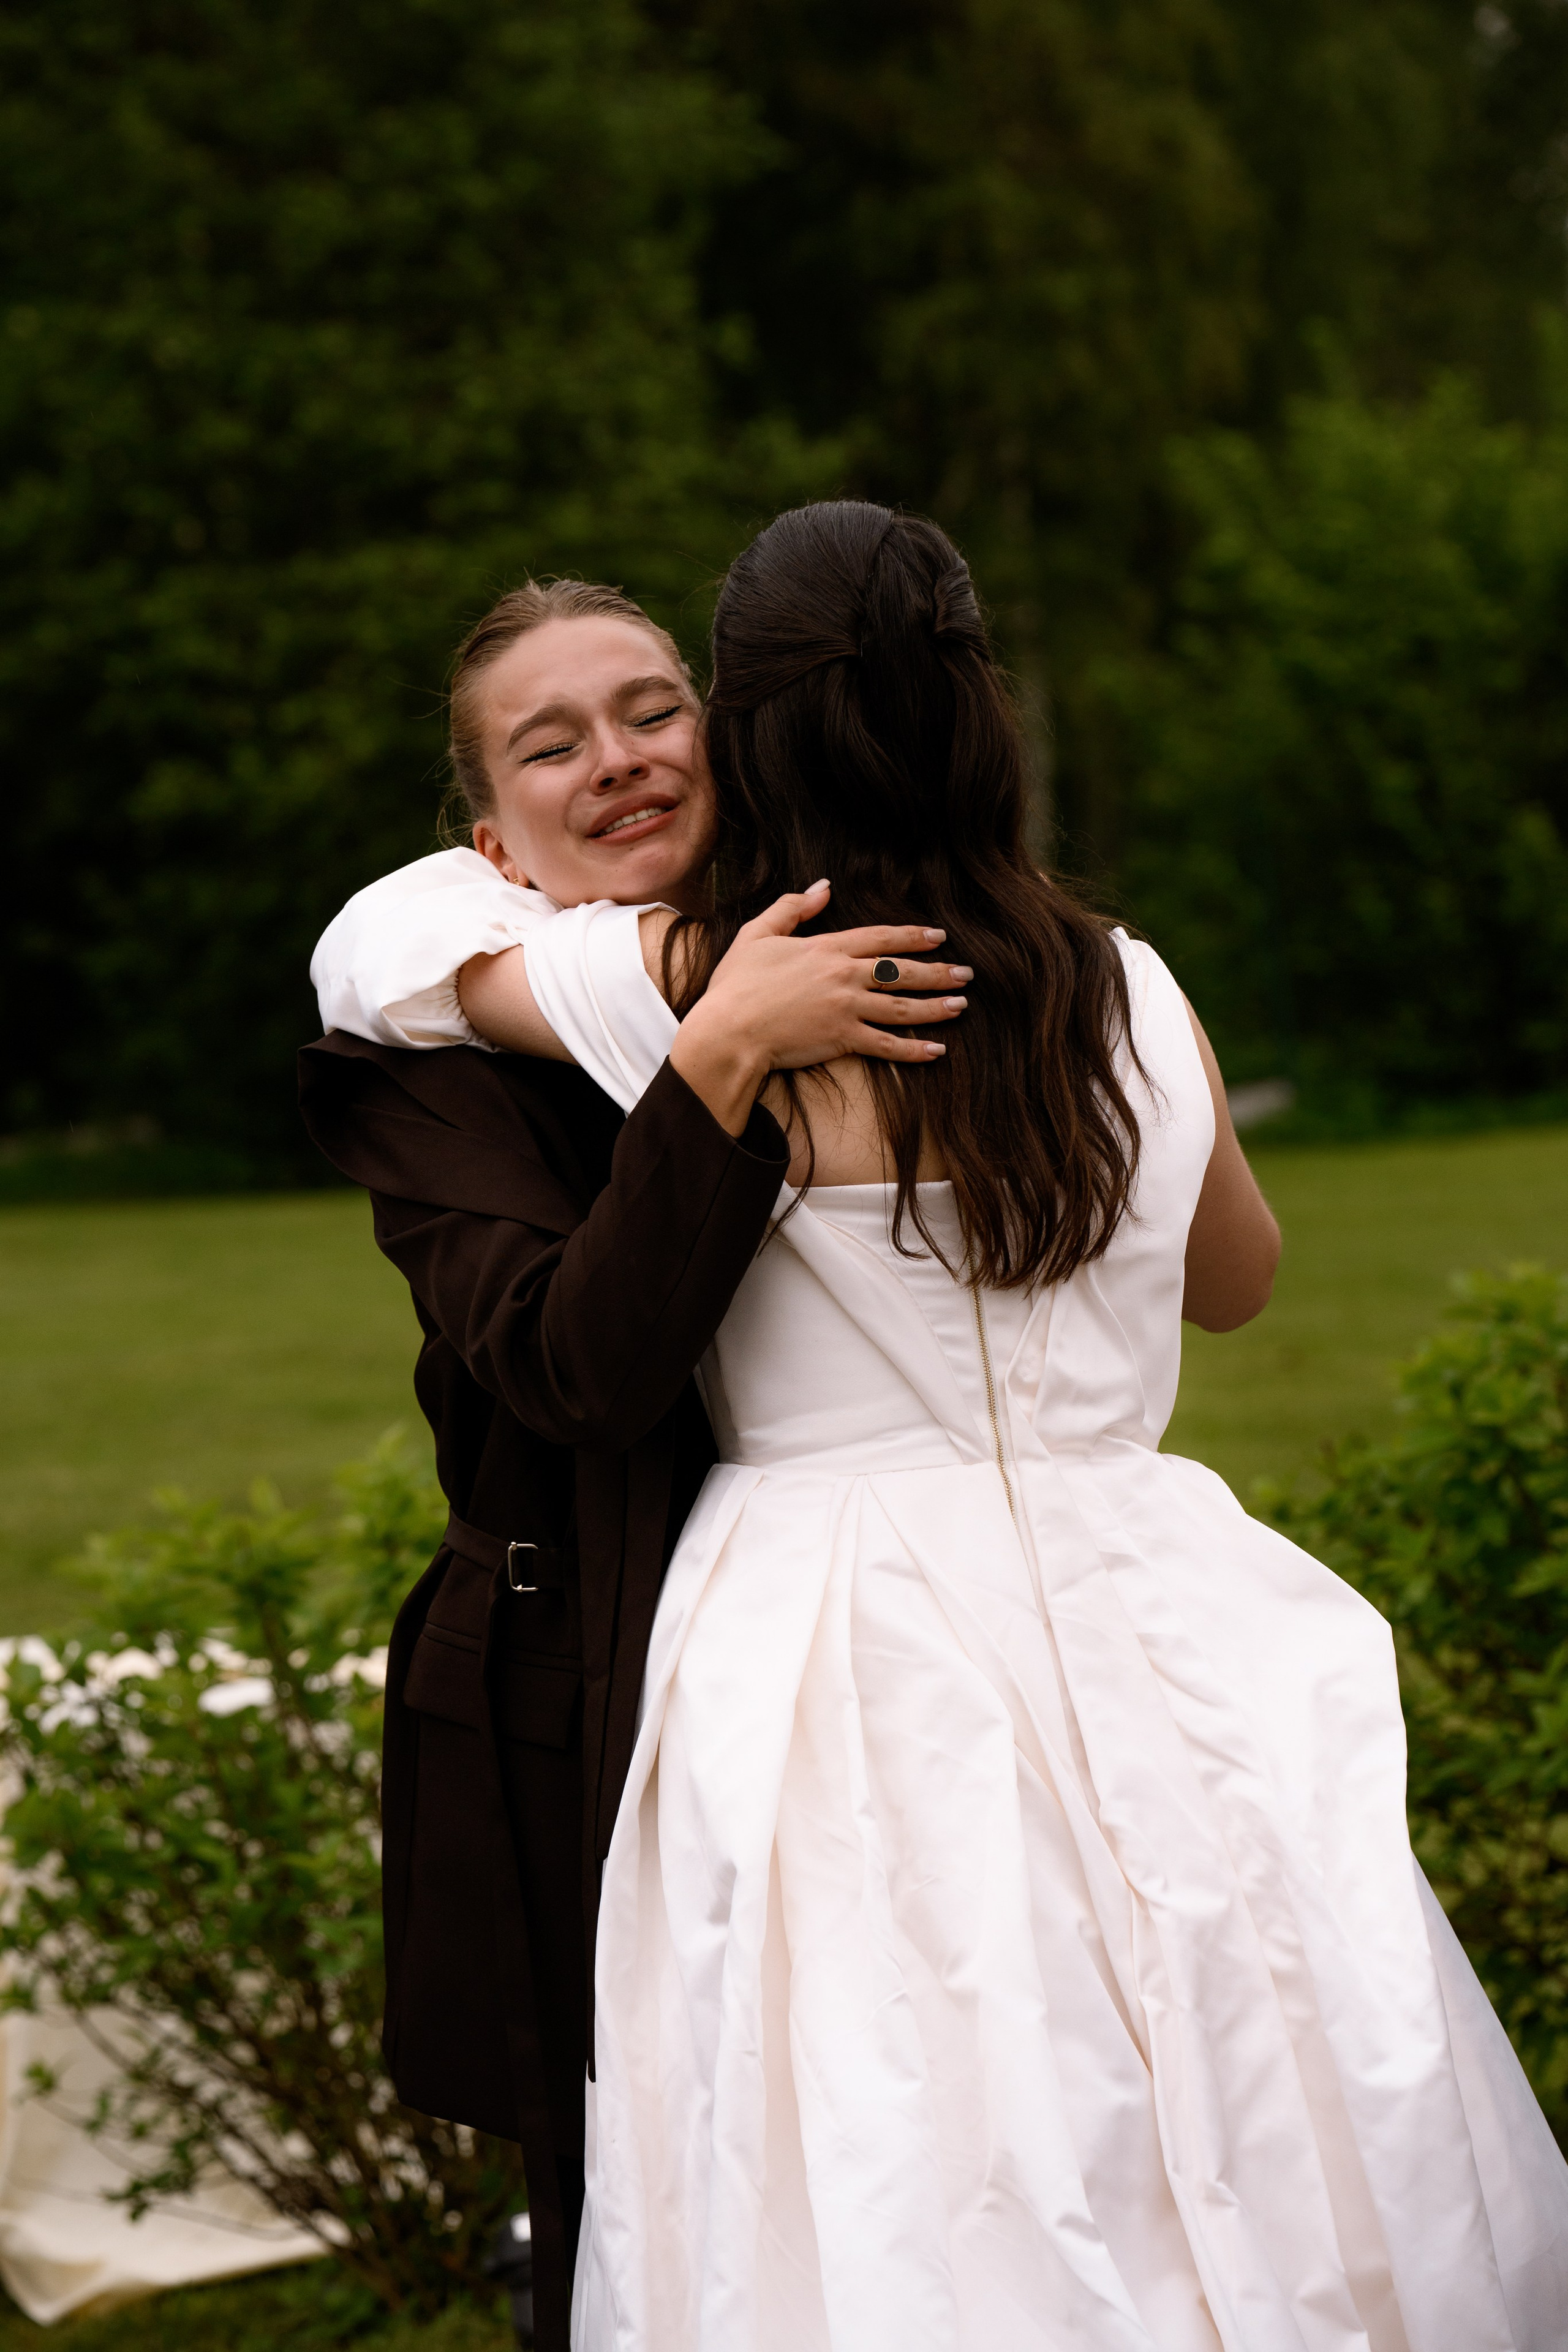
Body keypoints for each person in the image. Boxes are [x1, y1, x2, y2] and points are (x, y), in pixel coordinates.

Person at [382, 505, 1568, 2349]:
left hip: (834, 1630)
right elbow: (1236, 1280)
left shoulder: (696, 987)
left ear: (750, 731)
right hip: (1144, 1591)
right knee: (1249, 2065)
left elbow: (386, 961)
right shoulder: (1126, 984)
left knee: (902, 2120)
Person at [298, 579, 965, 2351]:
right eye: (550, 746)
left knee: (918, 2134)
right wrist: (723, 1050)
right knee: (647, 2201)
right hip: (575, 1662)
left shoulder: (844, 949)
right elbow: (573, 1369)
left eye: (652, 710)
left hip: (873, 1638)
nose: (616, 761)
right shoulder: (424, 1064)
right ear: (489, 846)